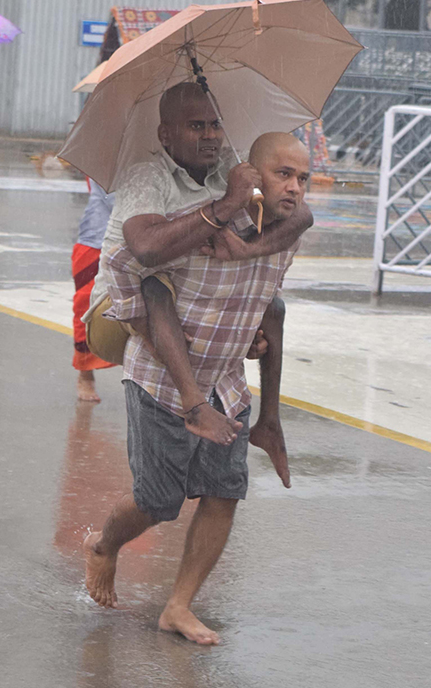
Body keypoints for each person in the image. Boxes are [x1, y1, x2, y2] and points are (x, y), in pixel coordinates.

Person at [83, 130, 310, 646]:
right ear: (252, 175)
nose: (295, 187)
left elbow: (272, 304)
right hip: (162, 379)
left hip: (225, 381)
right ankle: (104, 545)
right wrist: (191, 402)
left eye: (303, 178)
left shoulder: (282, 232)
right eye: (283, 174)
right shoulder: (199, 220)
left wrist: (267, 417)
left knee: (224, 492)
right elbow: (142, 283)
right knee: (158, 500)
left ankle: (178, 606)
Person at [83, 82, 313, 449]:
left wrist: (246, 253)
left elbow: (300, 216)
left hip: (182, 306)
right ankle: (194, 405)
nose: (210, 136)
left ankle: (269, 421)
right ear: (165, 134)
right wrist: (225, 206)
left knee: (271, 302)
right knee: (158, 282)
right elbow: (146, 250)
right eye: (195, 126)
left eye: (215, 125)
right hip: (119, 312)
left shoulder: (228, 167)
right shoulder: (146, 174)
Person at [71, 178, 116, 402]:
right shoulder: (101, 149)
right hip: (96, 239)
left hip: (143, 236)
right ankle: (85, 374)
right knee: (86, 308)